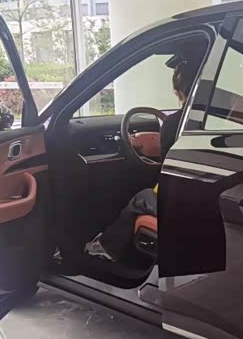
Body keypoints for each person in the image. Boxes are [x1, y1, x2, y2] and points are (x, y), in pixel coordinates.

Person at [84, 59, 197, 262]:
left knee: (142, 197)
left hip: (182, 206)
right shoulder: (212, 121)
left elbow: (167, 170)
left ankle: (107, 247)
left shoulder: (174, 124)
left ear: (179, 92)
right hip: (201, 199)